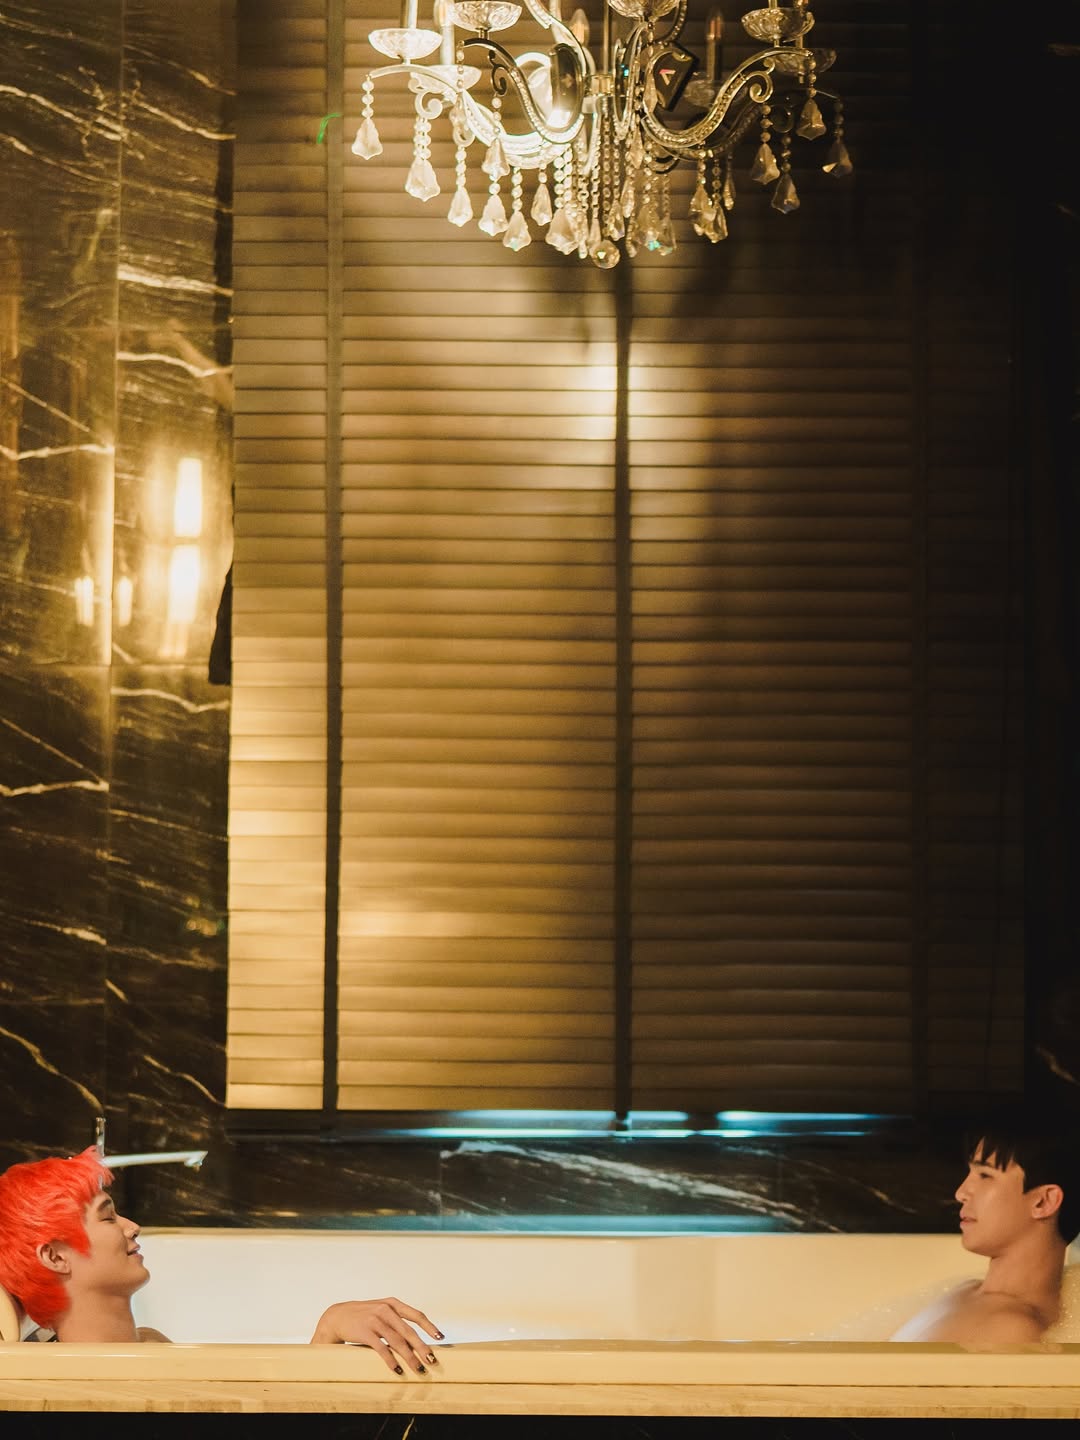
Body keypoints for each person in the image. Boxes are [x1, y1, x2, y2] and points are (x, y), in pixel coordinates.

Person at [0, 1148, 442, 1372]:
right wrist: (326, 1334)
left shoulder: (149, 1346)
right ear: (55, 1256)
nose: (133, 1227)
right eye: (109, 1216)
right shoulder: (74, 1384)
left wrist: (327, 1332)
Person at [890, 1118, 1079, 1347]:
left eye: (985, 1175)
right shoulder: (965, 1293)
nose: (960, 1193)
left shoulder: (1012, 1330)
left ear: (1043, 1202)